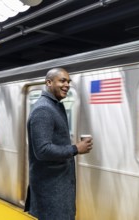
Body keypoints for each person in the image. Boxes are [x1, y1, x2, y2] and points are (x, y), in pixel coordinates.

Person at [24, 68, 93, 220]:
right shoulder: (44, 110)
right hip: (51, 189)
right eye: (62, 80)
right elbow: (42, 150)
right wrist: (76, 148)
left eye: (68, 81)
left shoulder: (55, 106)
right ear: (49, 82)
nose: (67, 85)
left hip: (57, 186)